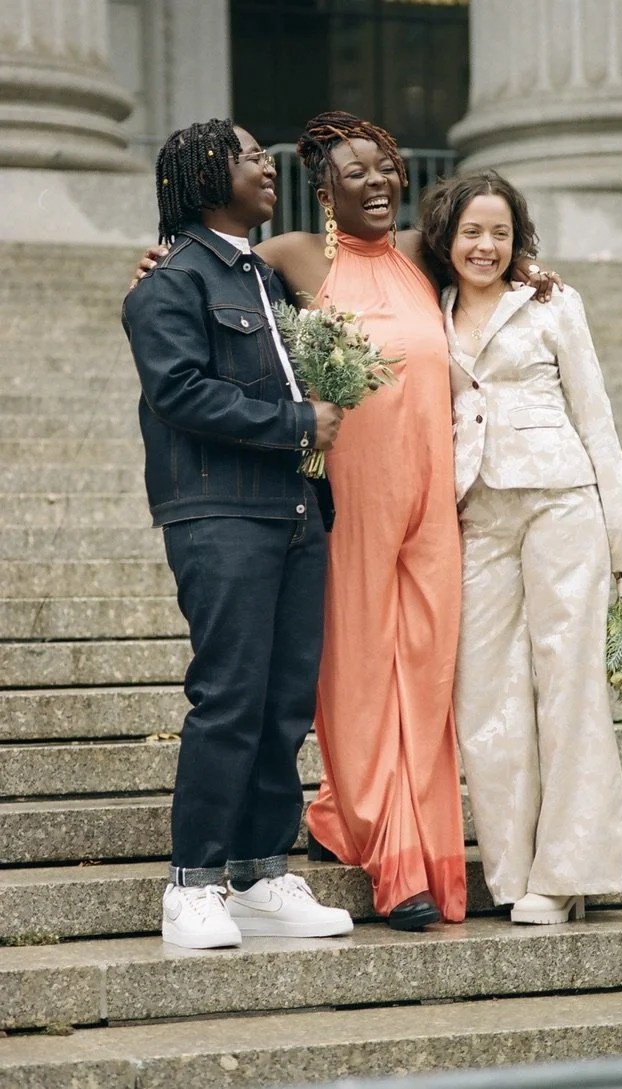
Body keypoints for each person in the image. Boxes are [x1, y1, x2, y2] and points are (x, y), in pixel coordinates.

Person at [132, 112, 560, 931]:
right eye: (354, 170)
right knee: (330, 680)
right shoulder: (283, 259)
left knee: (411, 677)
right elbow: (192, 298)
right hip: (340, 494)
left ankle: (342, 841)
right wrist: (155, 260)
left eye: (386, 167)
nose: (376, 180)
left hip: (426, 495)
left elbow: (489, 252)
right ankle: (376, 862)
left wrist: (535, 273)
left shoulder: (418, 254)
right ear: (323, 187)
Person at [122, 118, 353, 949]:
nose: (267, 164)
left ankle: (259, 873)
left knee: (284, 701)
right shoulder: (169, 284)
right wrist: (299, 424)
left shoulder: (266, 277)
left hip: (294, 512)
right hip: (219, 513)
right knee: (229, 697)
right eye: (249, 155)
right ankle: (192, 883)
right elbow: (180, 391)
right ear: (202, 176)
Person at [419, 170, 622, 925]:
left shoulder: (552, 299)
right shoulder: (431, 303)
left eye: (501, 232)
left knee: (568, 682)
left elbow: (596, 415)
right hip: (478, 513)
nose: (486, 246)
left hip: (561, 502)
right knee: (484, 691)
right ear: (448, 237)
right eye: (472, 232)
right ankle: (514, 870)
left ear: (518, 238)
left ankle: (568, 869)